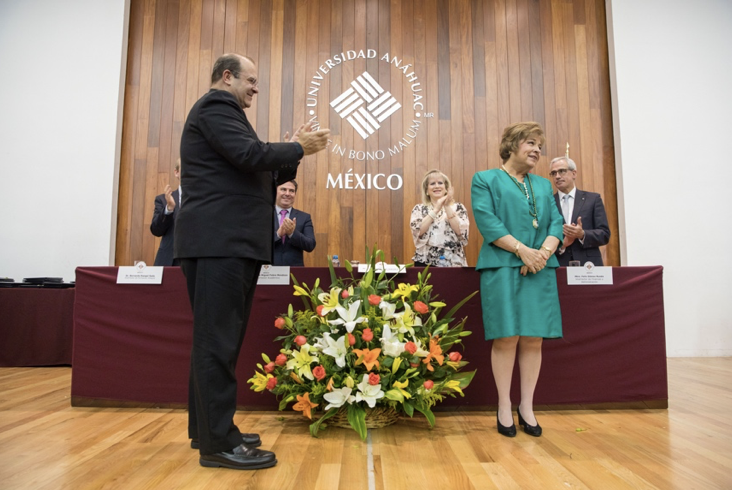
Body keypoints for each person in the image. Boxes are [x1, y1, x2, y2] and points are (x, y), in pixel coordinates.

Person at [174, 53, 329, 470]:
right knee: (217, 344)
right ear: (228, 77)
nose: (256, 88)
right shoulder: (215, 106)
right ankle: (218, 444)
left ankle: (208, 430)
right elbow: (249, 155)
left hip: (228, 243)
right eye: (252, 80)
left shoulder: (225, 116)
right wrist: (297, 145)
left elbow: (260, 171)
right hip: (218, 241)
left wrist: (294, 154)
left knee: (216, 342)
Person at [471, 121, 563, 438]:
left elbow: (555, 224)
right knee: (507, 336)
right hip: (502, 266)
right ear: (511, 145)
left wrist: (541, 255)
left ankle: (527, 406)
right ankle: (503, 405)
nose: (537, 149)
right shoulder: (484, 180)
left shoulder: (541, 186)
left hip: (540, 267)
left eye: (539, 145)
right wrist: (523, 251)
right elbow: (488, 222)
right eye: (530, 142)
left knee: (534, 337)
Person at [549, 156, 611, 266]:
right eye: (553, 173)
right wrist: (562, 245)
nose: (557, 176)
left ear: (574, 173)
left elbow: (604, 234)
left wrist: (582, 234)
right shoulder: (548, 203)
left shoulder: (593, 199)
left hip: (588, 267)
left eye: (562, 171)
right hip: (558, 265)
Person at [409, 169, 469, 266]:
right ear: (427, 191)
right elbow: (418, 231)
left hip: (453, 262)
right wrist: (436, 209)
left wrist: (446, 205)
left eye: (440, 183)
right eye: (432, 183)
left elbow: (461, 232)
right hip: (425, 262)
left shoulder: (458, 208)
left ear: (446, 188)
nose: (437, 186)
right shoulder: (419, 209)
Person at [273, 180, 316, 266]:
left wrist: (292, 233)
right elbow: (257, 243)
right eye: (283, 189)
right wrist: (278, 234)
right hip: (268, 271)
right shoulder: (264, 215)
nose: (287, 193)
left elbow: (310, 245)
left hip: (294, 272)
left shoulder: (304, 217)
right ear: (275, 192)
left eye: (291, 191)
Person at [150, 160, 181, 266]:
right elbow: (156, 230)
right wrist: (169, 209)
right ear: (176, 172)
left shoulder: (203, 200)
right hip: (169, 261)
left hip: (196, 264)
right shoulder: (163, 200)